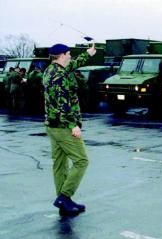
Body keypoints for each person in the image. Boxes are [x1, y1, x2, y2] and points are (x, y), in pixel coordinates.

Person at [43, 43, 96, 216]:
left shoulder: (51, 70)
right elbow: (62, 104)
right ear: (63, 54)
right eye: (69, 53)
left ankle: (63, 202)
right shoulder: (59, 76)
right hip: (63, 126)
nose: (71, 56)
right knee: (82, 161)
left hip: (52, 125)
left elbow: (72, 65)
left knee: (59, 164)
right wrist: (73, 125)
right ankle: (65, 196)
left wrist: (88, 54)